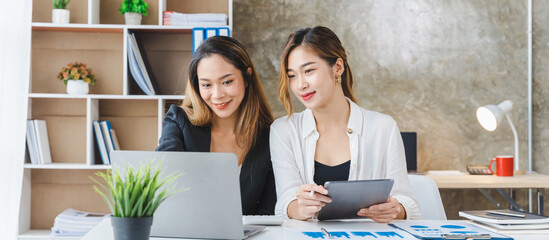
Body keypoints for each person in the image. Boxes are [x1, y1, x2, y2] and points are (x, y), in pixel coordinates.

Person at [270, 26, 421, 222]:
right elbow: (286, 200)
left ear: (338, 67)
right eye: (292, 76)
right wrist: (298, 208)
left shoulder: (383, 127)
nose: (300, 85)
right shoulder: (284, 130)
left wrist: (396, 210)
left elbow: (407, 202)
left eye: (308, 70)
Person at [156, 36, 276, 215]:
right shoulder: (178, 122)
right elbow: (162, 184)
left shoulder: (270, 136)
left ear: (247, 77)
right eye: (206, 85)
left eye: (227, 82)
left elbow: (268, 211)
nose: (217, 95)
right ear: (197, 86)